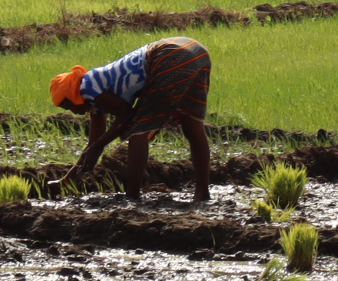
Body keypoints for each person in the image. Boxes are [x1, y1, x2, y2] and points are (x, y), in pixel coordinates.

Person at [47, 36, 214, 201]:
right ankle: (202, 193)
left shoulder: (89, 89)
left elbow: (126, 114)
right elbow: (94, 144)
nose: (72, 112)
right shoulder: (94, 91)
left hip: (170, 56)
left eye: (68, 106)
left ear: (73, 95)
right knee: (192, 127)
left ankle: (132, 196)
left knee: (137, 131)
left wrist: (98, 147)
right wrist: (68, 179)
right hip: (196, 51)